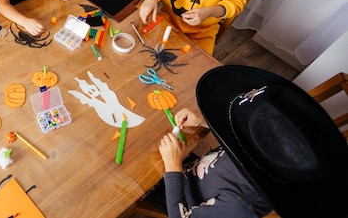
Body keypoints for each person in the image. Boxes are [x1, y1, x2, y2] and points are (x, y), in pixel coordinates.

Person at [146, 65, 348, 218]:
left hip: (174, 197)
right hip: (187, 168)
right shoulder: (258, 150)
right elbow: (236, 140)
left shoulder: (240, 207)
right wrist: (204, 122)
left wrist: (173, 167)